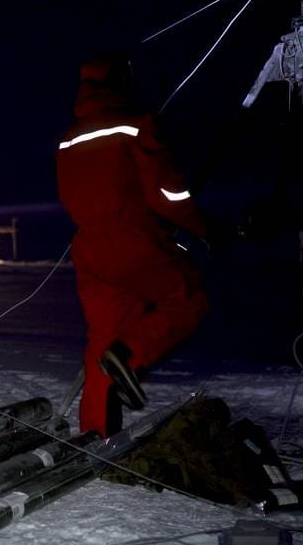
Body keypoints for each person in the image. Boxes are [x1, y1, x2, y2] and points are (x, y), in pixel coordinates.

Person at [56, 53, 211, 437]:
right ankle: (129, 354)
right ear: (121, 82)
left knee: (103, 336)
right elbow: (167, 194)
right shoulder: (135, 125)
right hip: (130, 237)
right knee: (189, 300)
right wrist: (204, 227)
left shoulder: (69, 139)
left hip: (87, 247)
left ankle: (96, 432)